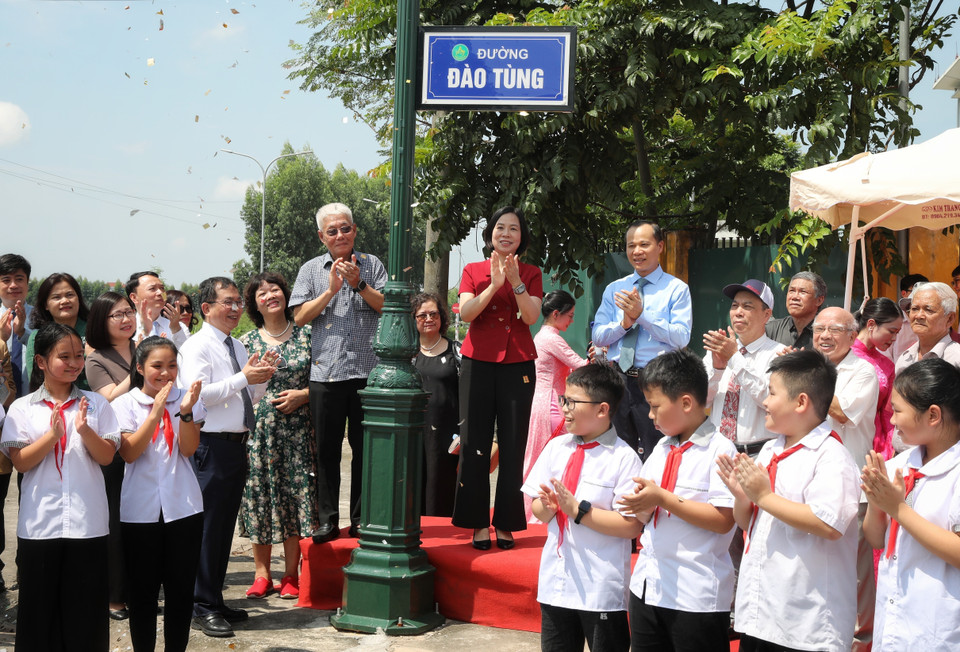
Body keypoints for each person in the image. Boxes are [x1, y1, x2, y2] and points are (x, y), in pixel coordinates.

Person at [716, 350, 860, 651]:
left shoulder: (832, 457)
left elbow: (828, 523)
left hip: (806, 623)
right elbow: (750, 524)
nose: (765, 402)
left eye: (771, 393)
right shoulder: (770, 450)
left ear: (801, 402)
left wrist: (764, 496)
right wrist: (744, 498)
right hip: (761, 612)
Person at [0, 322, 120, 651]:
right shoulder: (23, 408)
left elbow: (107, 457)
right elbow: (21, 463)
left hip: (88, 525)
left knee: (86, 615)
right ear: (40, 361)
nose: (74, 363)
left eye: (79, 356)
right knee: (38, 614)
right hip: (40, 526)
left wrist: (84, 431)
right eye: (64, 356)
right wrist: (52, 436)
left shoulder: (97, 405)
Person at [178, 277, 276, 638]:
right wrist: (242, 378)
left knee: (222, 531)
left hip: (236, 444)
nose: (236, 309)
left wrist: (260, 377)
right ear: (206, 308)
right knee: (206, 530)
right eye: (228, 302)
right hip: (209, 446)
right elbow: (198, 398)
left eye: (238, 302)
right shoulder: (197, 346)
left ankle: (213, 599)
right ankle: (200, 605)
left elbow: (245, 399)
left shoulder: (234, 344)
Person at [622, 349, 737, 652]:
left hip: (694, 593)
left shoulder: (721, 451)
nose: (650, 415)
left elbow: (724, 519)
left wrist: (662, 498)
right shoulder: (661, 448)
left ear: (686, 402)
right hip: (648, 586)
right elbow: (647, 513)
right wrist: (641, 506)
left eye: (655, 406)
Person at [522, 364, 642, 652]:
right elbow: (537, 507)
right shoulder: (556, 448)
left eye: (572, 402)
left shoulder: (624, 459)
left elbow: (631, 526)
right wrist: (548, 508)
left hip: (599, 585)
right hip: (556, 580)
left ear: (602, 410)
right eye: (564, 400)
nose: (564, 408)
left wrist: (578, 510)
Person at [290, 202, 386, 544]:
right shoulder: (311, 270)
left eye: (345, 228)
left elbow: (387, 307)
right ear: (321, 236)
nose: (340, 235)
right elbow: (299, 317)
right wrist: (331, 289)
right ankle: (327, 519)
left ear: (355, 230)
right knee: (326, 452)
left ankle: (361, 519)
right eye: (332, 231)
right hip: (325, 375)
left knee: (365, 449)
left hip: (366, 374)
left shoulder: (372, 265)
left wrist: (359, 284)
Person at [453, 206, 543, 550]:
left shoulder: (532, 272)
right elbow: (468, 312)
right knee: (473, 442)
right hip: (477, 362)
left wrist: (516, 282)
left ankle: (506, 522)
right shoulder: (472, 270)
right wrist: (494, 286)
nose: (506, 234)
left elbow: (532, 316)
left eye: (514, 229)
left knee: (512, 444)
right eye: (500, 228)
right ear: (490, 233)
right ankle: (476, 522)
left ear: (522, 237)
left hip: (518, 363)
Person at [112, 337, 204, 652]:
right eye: (157, 366)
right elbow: (130, 453)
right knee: (142, 593)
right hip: (140, 510)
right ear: (139, 368)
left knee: (180, 591)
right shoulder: (123, 405)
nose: (166, 373)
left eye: (172, 366)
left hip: (184, 507)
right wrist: (155, 412)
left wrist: (187, 413)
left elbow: (189, 449)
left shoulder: (188, 398)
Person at [861, 358, 960, 651]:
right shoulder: (900, 465)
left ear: (933, 415)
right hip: (893, 621)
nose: (891, 421)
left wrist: (898, 508)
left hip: (938, 628)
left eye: (898, 411)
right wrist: (876, 500)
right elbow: (876, 538)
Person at [239, 272, 318, 600]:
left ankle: (290, 575)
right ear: (254, 303)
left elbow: (327, 381)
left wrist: (304, 394)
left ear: (286, 295)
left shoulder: (308, 335)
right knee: (261, 501)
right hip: (260, 437)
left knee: (292, 501)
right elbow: (238, 389)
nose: (270, 295)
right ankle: (261, 574)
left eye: (275, 290)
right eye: (262, 293)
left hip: (298, 435)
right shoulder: (245, 343)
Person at [592, 221, 692, 460]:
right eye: (631, 245)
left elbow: (681, 338)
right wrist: (624, 324)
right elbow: (597, 336)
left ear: (660, 247)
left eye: (644, 244)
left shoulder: (676, 289)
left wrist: (642, 316)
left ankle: (656, 497)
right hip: (618, 380)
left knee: (656, 451)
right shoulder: (615, 288)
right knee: (616, 452)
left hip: (656, 381)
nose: (637, 251)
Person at [812, 307, 880, 652]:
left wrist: (811, 381)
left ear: (853, 337)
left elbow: (841, 413)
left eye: (834, 329)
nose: (824, 335)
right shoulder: (808, 370)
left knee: (856, 568)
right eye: (818, 328)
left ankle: (861, 639)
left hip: (852, 481)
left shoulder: (863, 371)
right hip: (810, 479)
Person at [85, 291, 138, 621]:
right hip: (114, 449)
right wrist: (143, 368)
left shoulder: (140, 347)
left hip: (148, 446)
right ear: (101, 322)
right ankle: (114, 598)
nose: (126, 319)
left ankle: (138, 591)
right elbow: (109, 398)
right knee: (116, 524)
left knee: (142, 523)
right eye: (117, 314)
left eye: (129, 312)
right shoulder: (95, 359)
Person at [523, 290, 587, 522]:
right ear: (556, 314)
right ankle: (543, 512)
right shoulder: (552, 338)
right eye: (570, 315)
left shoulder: (542, 336)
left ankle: (536, 512)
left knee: (540, 457)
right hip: (553, 405)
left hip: (543, 402)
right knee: (556, 458)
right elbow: (580, 365)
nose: (571, 320)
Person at [703, 280, 784, 454]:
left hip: (758, 454)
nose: (738, 312)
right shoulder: (719, 349)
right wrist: (717, 371)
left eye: (747, 306)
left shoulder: (778, 354)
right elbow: (700, 402)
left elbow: (770, 401)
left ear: (766, 314)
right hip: (717, 451)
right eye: (734, 305)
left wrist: (734, 358)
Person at [411, 292, 461, 518]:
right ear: (413, 320)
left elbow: (469, 395)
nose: (428, 319)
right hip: (414, 435)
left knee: (443, 490)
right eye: (422, 315)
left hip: (449, 437)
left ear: (442, 317)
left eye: (434, 314)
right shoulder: (407, 354)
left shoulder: (458, 351)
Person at [852, 298, 902, 459]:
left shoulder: (887, 365)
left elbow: (887, 413)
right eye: (891, 331)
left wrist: (889, 447)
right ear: (871, 324)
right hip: (844, 437)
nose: (894, 338)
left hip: (875, 445)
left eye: (897, 333)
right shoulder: (843, 354)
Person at [24, 272, 90, 389]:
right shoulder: (37, 337)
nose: (64, 301)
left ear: (79, 299)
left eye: (70, 295)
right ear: (46, 305)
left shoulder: (94, 330)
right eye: (56, 297)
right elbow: (36, 379)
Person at [894, 281, 960, 374]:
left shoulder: (956, 359)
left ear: (949, 319)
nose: (918, 316)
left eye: (928, 310)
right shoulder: (906, 358)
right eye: (914, 309)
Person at [764, 271, 826, 350]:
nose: (795, 297)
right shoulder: (771, 329)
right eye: (792, 291)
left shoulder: (826, 334)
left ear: (819, 300)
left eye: (803, 292)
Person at [125, 271, 187, 347]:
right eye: (152, 288)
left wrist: (176, 330)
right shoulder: (126, 328)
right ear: (134, 297)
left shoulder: (179, 327)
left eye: (162, 288)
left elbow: (187, 354)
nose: (160, 292)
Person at [0, 253, 33, 395]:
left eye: (19, 279)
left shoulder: (43, 318)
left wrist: (23, 334)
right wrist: (1, 341)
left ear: (27, 283)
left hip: (32, 401)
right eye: (6, 280)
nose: (13, 285)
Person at [889, 273, 927, 361]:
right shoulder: (892, 321)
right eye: (915, 291)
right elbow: (884, 357)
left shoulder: (935, 322)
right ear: (904, 293)